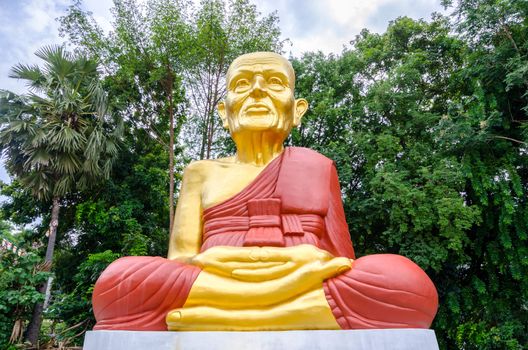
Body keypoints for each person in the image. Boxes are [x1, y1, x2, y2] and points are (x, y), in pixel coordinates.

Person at [92, 52, 438, 331]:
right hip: (239, 277)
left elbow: (340, 260)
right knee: (119, 282)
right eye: (242, 84)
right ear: (224, 111)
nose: (257, 90)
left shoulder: (318, 166)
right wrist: (295, 268)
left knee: (406, 283)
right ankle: (296, 314)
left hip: (254, 286)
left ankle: (217, 317)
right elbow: (181, 258)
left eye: (274, 82)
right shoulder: (200, 172)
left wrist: (302, 266)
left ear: (296, 109)